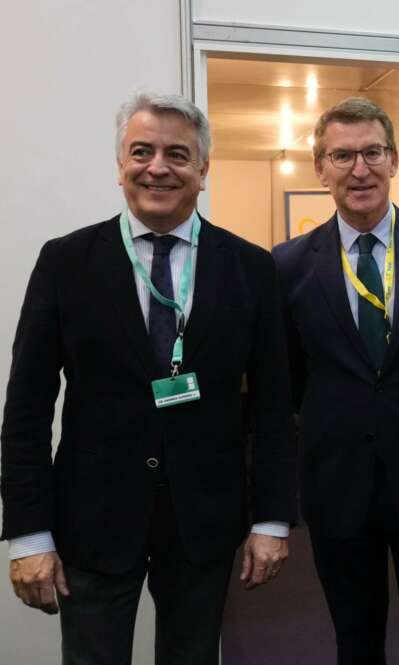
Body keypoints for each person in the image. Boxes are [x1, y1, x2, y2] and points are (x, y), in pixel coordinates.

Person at [0, 92, 296, 665]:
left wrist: (271, 518)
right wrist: (29, 533)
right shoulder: (65, 262)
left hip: (205, 524)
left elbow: (272, 405)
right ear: (120, 166)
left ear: (203, 170)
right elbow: (27, 409)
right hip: (92, 521)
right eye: (142, 151)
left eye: (178, 155)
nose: (158, 167)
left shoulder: (251, 268)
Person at [273, 96, 399, 665]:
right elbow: (289, 380)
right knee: (354, 640)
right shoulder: (287, 264)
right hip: (337, 483)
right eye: (342, 156)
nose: (358, 169)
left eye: (372, 152)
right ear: (320, 168)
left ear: (394, 160)